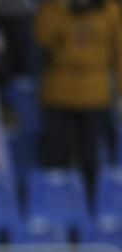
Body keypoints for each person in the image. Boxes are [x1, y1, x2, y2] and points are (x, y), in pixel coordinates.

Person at [36, 0, 122, 198]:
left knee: (91, 159)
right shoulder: (53, 8)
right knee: (55, 159)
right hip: (58, 94)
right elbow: (42, 38)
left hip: (94, 95)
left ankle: (90, 209)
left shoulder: (109, 9)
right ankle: (53, 208)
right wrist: (59, 7)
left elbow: (119, 51)